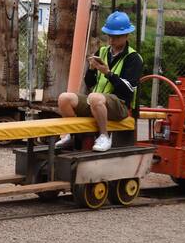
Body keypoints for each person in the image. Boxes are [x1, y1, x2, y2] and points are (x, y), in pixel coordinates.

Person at [57, 12, 143, 153]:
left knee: (94, 97)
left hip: (120, 106)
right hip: (96, 102)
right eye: (109, 36)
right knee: (64, 98)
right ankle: (71, 135)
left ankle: (104, 136)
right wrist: (91, 69)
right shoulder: (102, 51)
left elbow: (128, 90)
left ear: (127, 36)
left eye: (116, 37)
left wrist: (108, 73)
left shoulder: (134, 58)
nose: (111, 40)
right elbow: (89, 83)